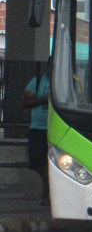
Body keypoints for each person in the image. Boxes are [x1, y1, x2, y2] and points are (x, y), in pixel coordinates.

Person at [22, 57, 51, 206]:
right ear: (47, 67)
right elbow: (25, 102)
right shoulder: (38, 81)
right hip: (38, 128)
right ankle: (49, 189)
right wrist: (43, 100)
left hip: (55, 129)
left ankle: (46, 195)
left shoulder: (66, 81)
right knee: (37, 162)